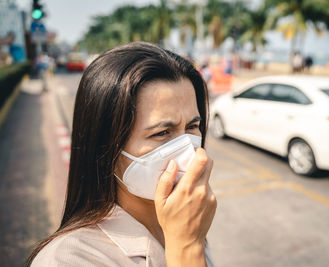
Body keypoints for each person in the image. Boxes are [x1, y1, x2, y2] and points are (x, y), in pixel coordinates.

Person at [26, 42, 217, 266]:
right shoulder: (68, 259)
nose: (190, 153)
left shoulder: (188, 221)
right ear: (106, 147)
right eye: (162, 132)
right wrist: (186, 249)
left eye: (192, 127)